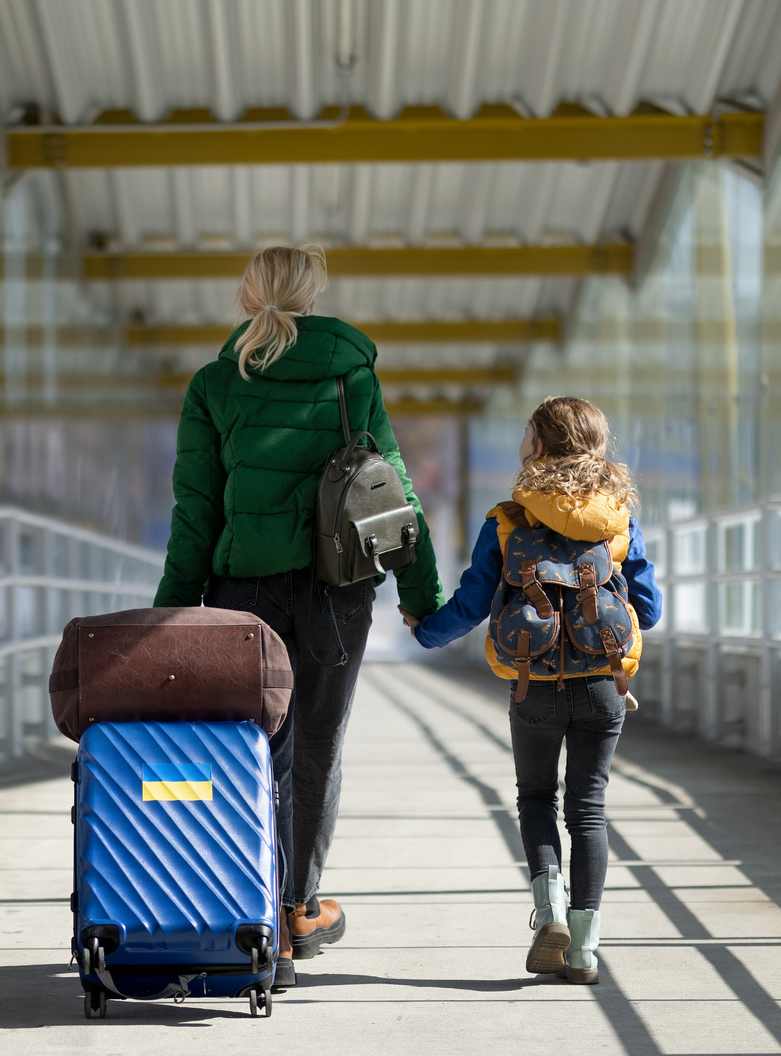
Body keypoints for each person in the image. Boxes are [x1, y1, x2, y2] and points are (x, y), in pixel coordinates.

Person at [153, 243, 446, 989]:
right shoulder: (351, 377)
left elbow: (196, 510)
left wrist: (170, 616)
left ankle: (251, 910)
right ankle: (293, 915)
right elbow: (391, 489)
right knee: (317, 748)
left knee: (253, 751)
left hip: (243, 595)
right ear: (312, 298)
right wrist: (420, 596)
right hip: (335, 593)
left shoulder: (216, 383)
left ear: (247, 297)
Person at [404, 396, 661, 984]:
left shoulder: (508, 519)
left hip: (533, 681)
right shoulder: (619, 517)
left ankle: (550, 916)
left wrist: (424, 632)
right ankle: (584, 950)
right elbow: (649, 610)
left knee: (537, 797)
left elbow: (472, 604)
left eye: (526, 435)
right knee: (588, 807)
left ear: (539, 447)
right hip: (602, 684)